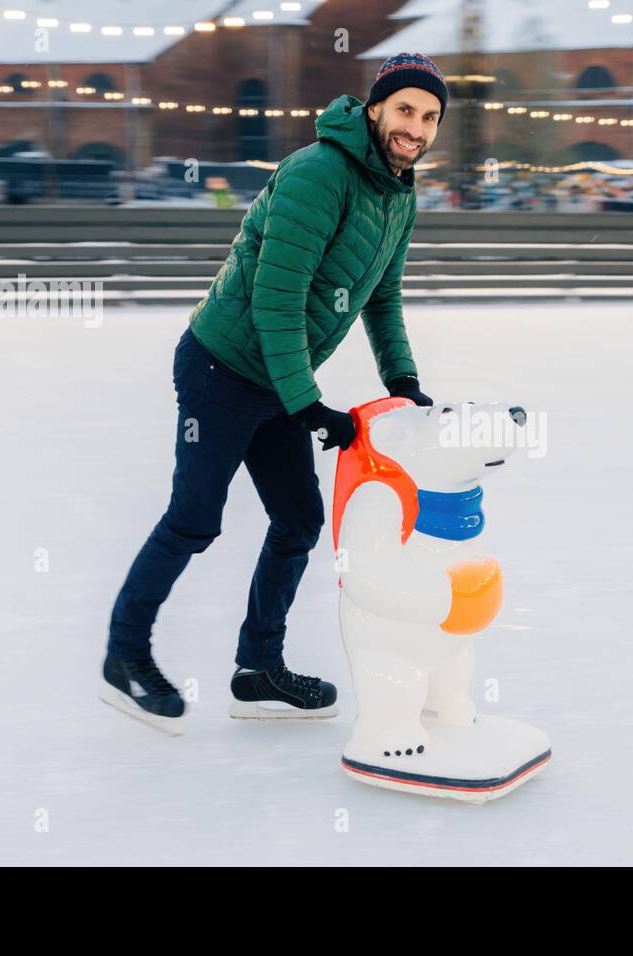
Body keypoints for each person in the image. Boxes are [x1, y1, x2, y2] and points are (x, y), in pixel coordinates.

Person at [101, 53, 448, 733]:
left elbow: (383, 297)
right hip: (222, 370)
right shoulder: (319, 173)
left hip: (276, 381)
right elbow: (276, 296)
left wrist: (402, 381)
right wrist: (306, 403)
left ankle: (257, 671)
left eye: (430, 116)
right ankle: (125, 657)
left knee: (298, 521)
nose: (417, 126)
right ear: (374, 109)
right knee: (194, 519)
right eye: (405, 109)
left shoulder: (398, 193)